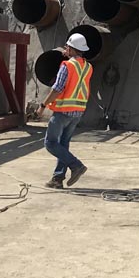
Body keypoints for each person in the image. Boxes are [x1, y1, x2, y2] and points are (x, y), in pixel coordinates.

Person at [39, 33, 93, 188]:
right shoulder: (88, 67)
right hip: (78, 112)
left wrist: (43, 106)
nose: (65, 48)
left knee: (50, 143)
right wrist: (70, 54)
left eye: (67, 46)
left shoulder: (68, 65)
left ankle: (76, 165)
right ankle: (57, 179)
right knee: (63, 143)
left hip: (63, 111)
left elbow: (57, 89)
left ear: (72, 48)